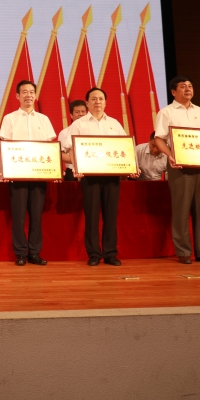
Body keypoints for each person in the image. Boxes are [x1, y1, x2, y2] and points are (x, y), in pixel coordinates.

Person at [62, 87, 137, 266]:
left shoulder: (114, 123)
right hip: (89, 175)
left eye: (101, 99)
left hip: (112, 175)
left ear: (105, 102)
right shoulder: (79, 124)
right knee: (92, 215)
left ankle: (110, 253)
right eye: (94, 99)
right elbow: (70, 148)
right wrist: (77, 166)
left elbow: (125, 147)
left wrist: (132, 166)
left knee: (111, 215)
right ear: (87, 103)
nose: (97, 102)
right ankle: (94, 253)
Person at [153, 75, 200, 265]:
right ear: (173, 92)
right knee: (181, 208)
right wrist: (170, 155)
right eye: (183, 86)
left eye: (190, 86)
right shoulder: (166, 112)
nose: (188, 89)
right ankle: (183, 251)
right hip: (179, 165)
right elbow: (159, 138)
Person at [0, 80, 57, 266]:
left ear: (35, 95)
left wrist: (54, 171)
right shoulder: (9, 119)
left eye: (32, 92)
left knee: (36, 215)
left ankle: (34, 252)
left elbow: (50, 148)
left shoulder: (43, 119)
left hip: (39, 174)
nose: (28, 95)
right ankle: (20, 253)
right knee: (18, 216)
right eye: (24, 92)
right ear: (17, 96)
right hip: (17, 174)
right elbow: (3, 146)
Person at [57, 100, 87, 181]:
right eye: (77, 112)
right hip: (72, 171)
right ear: (71, 115)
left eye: (83, 111)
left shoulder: (91, 130)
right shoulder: (64, 132)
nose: (81, 114)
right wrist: (79, 161)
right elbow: (60, 154)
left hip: (91, 169)